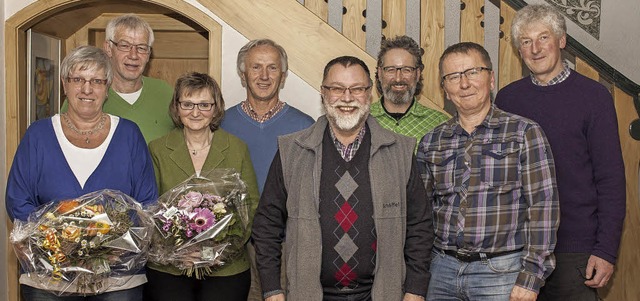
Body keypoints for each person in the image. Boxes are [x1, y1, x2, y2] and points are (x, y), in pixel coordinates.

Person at [252, 55, 433, 301]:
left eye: (356, 89)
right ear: (323, 92)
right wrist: (272, 289)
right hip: (310, 295)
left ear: (369, 92)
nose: (347, 98)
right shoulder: (292, 150)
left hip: (380, 294)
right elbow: (267, 225)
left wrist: (415, 289)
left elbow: (419, 226)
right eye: (337, 88)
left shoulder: (399, 151)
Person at [495, 4, 626, 300]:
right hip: (517, 249)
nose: (535, 49)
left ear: (562, 40)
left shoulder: (594, 98)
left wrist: (605, 250)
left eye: (544, 38)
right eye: (526, 41)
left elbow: (611, 181)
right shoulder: (507, 99)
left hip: (575, 250)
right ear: (518, 49)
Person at [6, 45, 157, 300]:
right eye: (78, 79)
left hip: (117, 279)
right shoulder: (38, 135)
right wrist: (57, 246)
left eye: (96, 81)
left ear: (107, 87)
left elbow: (147, 203)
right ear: (65, 84)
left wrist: (110, 249)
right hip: (47, 279)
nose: (87, 89)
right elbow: (17, 201)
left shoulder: (129, 135)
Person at [417, 42, 559, 301]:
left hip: (501, 274)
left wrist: (531, 278)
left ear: (490, 78)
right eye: (453, 77)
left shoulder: (524, 133)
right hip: (441, 271)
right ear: (445, 90)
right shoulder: (431, 141)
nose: (464, 84)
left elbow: (543, 207)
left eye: (473, 72)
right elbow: (421, 214)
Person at [146, 72, 260, 301]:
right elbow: (150, 207)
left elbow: (250, 206)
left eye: (204, 105)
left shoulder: (236, 148)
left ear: (216, 108)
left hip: (225, 270)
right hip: (170, 271)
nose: (195, 112)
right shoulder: (157, 149)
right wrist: (178, 252)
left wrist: (212, 252)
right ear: (176, 108)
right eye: (187, 104)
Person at [61, 14, 174, 142]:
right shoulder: (88, 96)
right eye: (124, 46)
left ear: (148, 54)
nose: (133, 55)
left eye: (141, 48)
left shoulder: (165, 93)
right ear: (108, 48)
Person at [221, 38, 314, 194]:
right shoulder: (222, 124)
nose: (264, 76)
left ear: (283, 76)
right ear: (243, 75)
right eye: (256, 67)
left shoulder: (304, 126)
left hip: (285, 218)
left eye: (272, 68)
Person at [371, 35, 448, 148]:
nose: (398, 78)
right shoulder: (362, 119)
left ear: (417, 74)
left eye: (406, 70)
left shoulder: (440, 124)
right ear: (379, 73)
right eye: (391, 70)